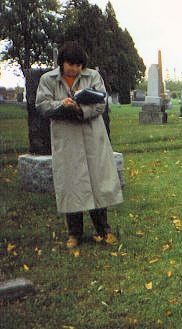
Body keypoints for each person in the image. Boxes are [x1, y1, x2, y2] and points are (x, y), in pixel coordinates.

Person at [36, 41, 123, 248]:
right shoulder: (47, 80)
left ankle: (103, 229)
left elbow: (101, 103)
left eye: (79, 65)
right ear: (62, 63)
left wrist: (81, 110)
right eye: (70, 65)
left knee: (97, 184)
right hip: (67, 139)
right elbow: (42, 105)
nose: (74, 69)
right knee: (71, 184)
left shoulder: (92, 76)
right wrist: (61, 105)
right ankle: (74, 234)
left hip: (92, 137)